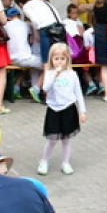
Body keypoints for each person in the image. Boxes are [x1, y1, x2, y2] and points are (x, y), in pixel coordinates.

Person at [38, 42, 86, 175]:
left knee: (66, 139)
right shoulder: (49, 73)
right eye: (56, 58)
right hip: (54, 109)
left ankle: (65, 162)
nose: (59, 62)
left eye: (62, 59)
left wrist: (82, 110)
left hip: (68, 108)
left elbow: (78, 93)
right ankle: (44, 161)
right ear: (51, 59)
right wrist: (55, 75)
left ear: (67, 59)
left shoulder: (72, 74)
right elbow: (45, 88)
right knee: (52, 139)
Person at [4, 7, 42, 97]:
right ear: (18, 15)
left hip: (9, 59)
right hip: (23, 58)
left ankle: (17, 86)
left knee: (31, 66)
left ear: (8, 17)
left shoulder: (5, 26)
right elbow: (32, 40)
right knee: (48, 64)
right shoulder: (26, 25)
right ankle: (36, 88)